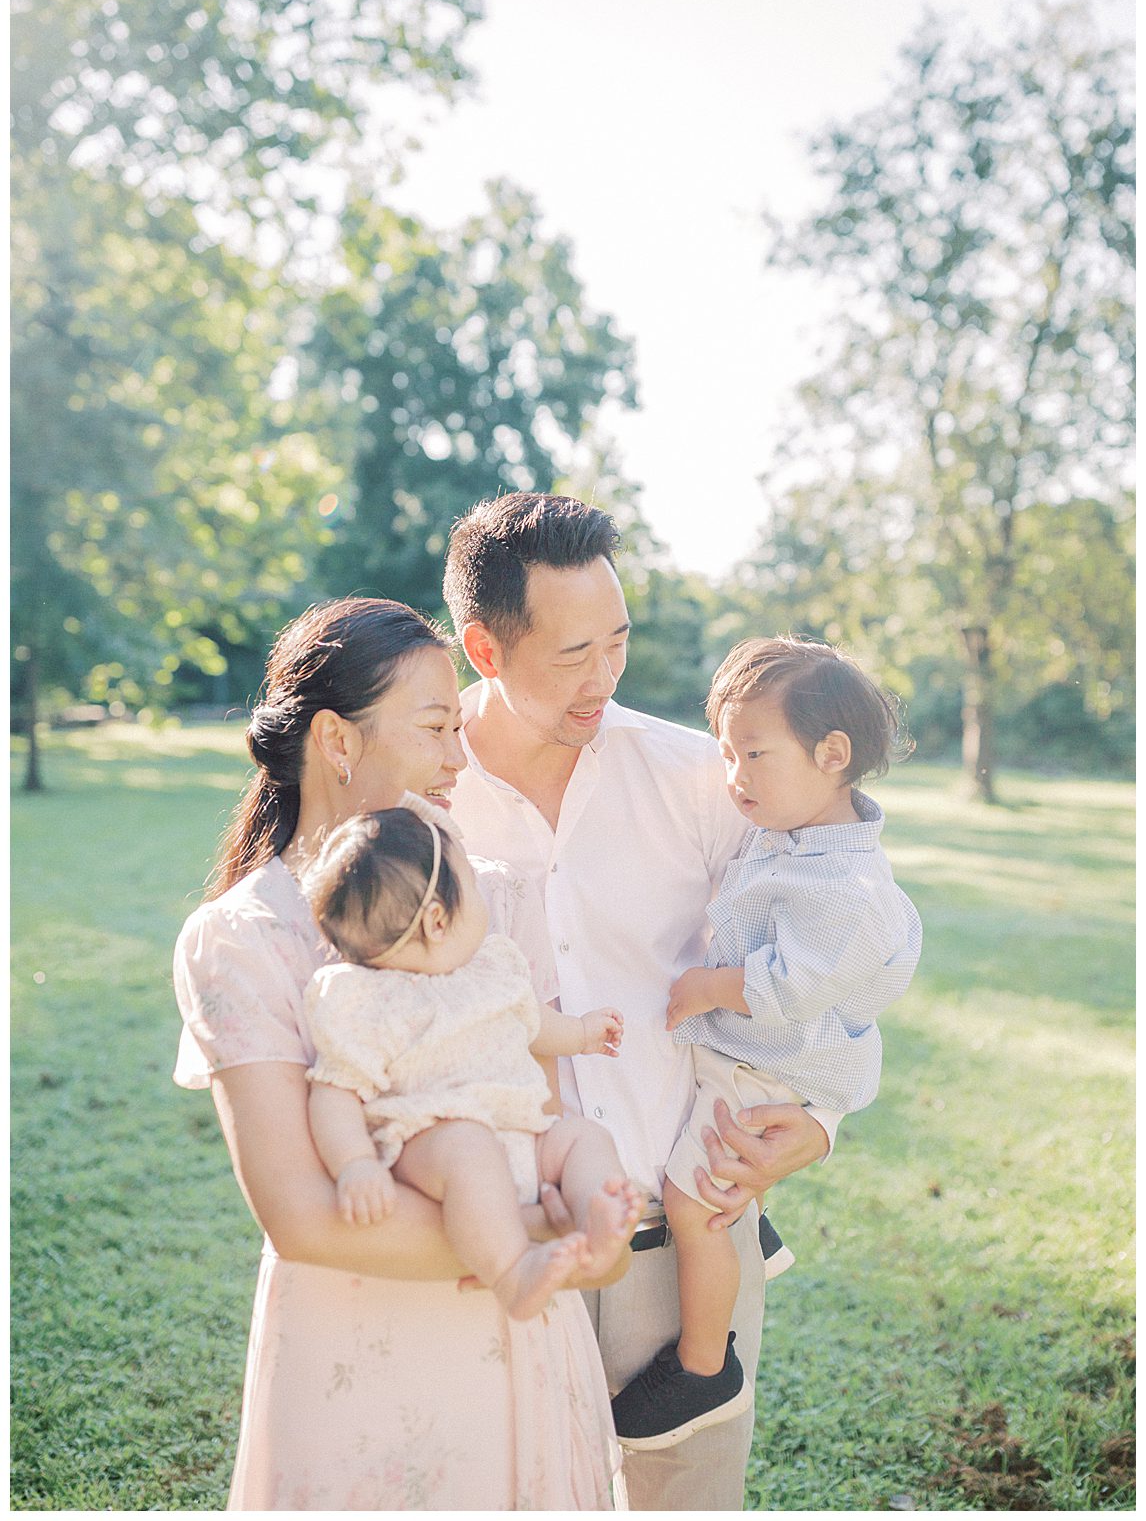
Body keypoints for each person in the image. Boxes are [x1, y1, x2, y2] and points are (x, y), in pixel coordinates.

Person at [172, 596, 624, 1511]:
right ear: (338, 740)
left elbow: (537, 1116)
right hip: (360, 1356)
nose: (458, 757)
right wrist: (542, 1232)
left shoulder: (483, 890)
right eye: (433, 727)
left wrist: (592, 1218)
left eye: (458, 726)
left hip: (520, 1338)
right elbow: (302, 1217)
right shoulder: (242, 938)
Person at [444, 493, 841, 1511]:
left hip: (688, 1234)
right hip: (497, 1240)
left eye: (617, 639)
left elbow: (835, 940)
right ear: (484, 647)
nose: (604, 676)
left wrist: (824, 1120)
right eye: (573, 652)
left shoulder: (700, 780)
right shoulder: (422, 799)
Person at [610, 636, 924, 1447]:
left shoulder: (845, 888)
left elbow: (787, 992)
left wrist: (707, 987)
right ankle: (748, 1226)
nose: (734, 777)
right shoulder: (790, 827)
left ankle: (705, 1365)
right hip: (747, 1057)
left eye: (753, 753)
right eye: (725, 752)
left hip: (771, 1066)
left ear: (832, 754)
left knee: (693, 1202)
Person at [302, 803, 642, 1318]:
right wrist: (354, 1164)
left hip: (525, 1133)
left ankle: (599, 1210)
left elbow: (534, 1024)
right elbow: (335, 1090)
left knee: (582, 1137)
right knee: (469, 1145)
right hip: (433, 1141)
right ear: (439, 920)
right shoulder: (365, 999)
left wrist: (583, 1033)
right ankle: (512, 1272)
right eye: (472, 884)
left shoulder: (493, 965)